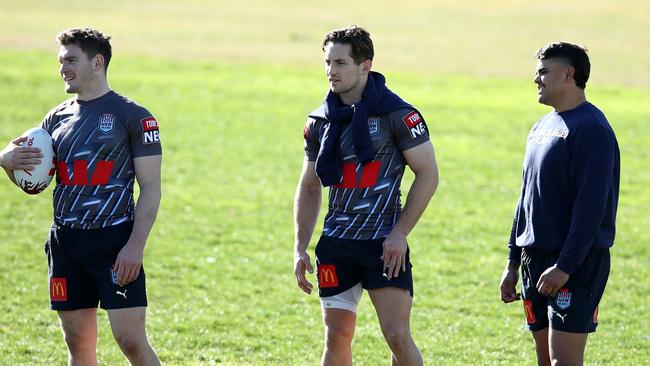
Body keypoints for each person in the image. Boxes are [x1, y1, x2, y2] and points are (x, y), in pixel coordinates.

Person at [0, 27, 162, 366]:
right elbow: (31, 177)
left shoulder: (134, 117)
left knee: (131, 341)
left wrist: (135, 246)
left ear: (97, 62)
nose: (63, 68)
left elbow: (151, 187)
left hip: (115, 241)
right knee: (79, 344)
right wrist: (6, 161)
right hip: (66, 243)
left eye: (71, 60)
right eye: (61, 61)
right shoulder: (55, 118)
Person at [293, 25, 439, 366]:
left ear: (365, 66)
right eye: (328, 62)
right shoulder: (319, 121)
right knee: (336, 338)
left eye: (341, 63)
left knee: (397, 337)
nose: (331, 71)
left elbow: (429, 174)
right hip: (336, 243)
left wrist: (399, 234)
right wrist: (300, 247)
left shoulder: (398, 115)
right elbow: (310, 185)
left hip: (383, 246)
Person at [499, 42, 620, 366]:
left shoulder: (592, 128)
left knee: (563, 362)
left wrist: (565, 266)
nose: (536, 79)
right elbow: (526, 198)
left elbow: (591, 206)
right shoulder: (541, 127)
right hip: (533, 258)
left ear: (569, 74)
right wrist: (512, 261)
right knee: (544, 361)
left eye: (543, 72)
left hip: (573, 263)